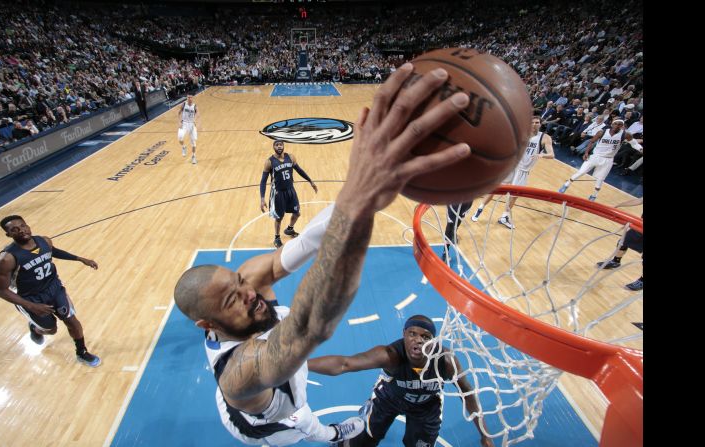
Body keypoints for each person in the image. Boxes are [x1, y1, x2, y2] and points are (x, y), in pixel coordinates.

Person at [172, 62, 473, 446]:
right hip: (265, 424)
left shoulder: (248, 281)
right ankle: (330, 435)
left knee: (288, 353)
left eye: (237, 281)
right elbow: (311, 323)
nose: (248, 290)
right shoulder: (239, 375)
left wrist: (364, 194)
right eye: (233, 298)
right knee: (302, 421)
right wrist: (355, 203)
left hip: (275, 361)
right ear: (207, 325)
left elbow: (309, 241)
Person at [308, 315, 494, 447]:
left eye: (425, 337)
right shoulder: (391, 356)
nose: (418, 340)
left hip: (426, 407)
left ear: (433, 341)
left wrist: (485, 435)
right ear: (404, 334)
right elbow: (345, 364)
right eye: (412, 334)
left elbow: (468, 394)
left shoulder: (445, 361)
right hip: (389, 399)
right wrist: (300, 364)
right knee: (364, 441)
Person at [0, 215, 102, 367]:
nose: (21, 230)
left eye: (23, 226)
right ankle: (36, 329)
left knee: (72, 321)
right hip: (30, 298)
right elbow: (1, 290)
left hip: (54, 288)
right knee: (51, 330)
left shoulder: (44, 241)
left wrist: (80, 258)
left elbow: (53, 251)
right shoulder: (7, 258)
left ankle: (82, 352)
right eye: (15, 230)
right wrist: (32, 306)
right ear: (9, 235)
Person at [470, 116, 555, 229]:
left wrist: (541, 154)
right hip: (512, 166)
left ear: (540, 124)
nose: (535, 124)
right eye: (532, 122)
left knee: (514, 195)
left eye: (537, 122)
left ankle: (504, 217)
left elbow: (552, 155)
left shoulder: (545, 138)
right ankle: (480, 209)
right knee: (497, 189)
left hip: (523, 170)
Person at [558, 119, 642, 201]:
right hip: (595, 156)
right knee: (581, 172)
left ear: (622, 126)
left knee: (600, 179)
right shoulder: (602, 132)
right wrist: (586, 152)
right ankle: (566, 185)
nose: (617, 126)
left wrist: (640, 149)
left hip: (608, 160)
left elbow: (634, 143)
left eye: (620, 124)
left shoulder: (625, 134)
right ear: (612, 124)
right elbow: (591, 141)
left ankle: (594, 196)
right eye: (616, 124)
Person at [260, 139, 319, 248]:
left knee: (297, 213)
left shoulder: (290, 157)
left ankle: (289, 229)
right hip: (278, 193)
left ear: (283, 146)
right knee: (279, 217)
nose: (279, 147)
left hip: (290, 190)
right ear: (274, 147)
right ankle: (277, 238)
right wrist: (262, 198)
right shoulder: (269, 162)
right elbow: (263, 181)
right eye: (276, 145)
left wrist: (310, 181)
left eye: (280, 145)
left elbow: (299, 170)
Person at [595, 197, 643, 291]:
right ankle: (615, 262)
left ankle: (642, 281)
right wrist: (619, 205)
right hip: (640, 225)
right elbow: (640, 200)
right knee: (623, 241)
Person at [178, 94, 199, 164]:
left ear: (193, 98)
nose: (189, 98)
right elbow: (179, 113)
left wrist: (195, 120)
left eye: (190, 97)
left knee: (193, 142)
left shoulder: (195, 106)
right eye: (188, 97)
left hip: (191, 124)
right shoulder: (184, 104)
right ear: (187, 98)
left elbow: (197, 113)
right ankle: (184, 147)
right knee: (180, 138)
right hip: (184, 123)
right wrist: (179, 122)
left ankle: (193, 156)